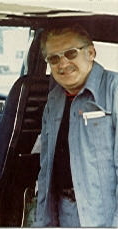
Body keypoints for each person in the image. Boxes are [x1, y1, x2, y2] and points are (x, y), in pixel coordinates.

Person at [34, 24, 118, 227]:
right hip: (65, 213)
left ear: (91, 53)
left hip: (105, 217)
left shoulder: (114, 91)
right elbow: (46, 170)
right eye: (54, 58)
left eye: (71, 53)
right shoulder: (53, 100)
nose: (63, 64)